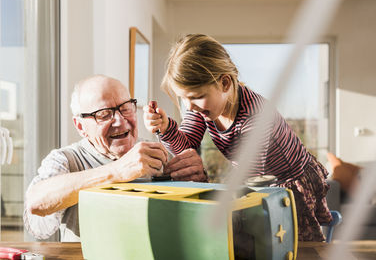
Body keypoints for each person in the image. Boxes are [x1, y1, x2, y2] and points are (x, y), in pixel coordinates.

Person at [143, 34, 332, 241]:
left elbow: (251, 180)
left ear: (225, 83)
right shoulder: (202, 108)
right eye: (183, 98)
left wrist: (208, 188)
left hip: (288, 183)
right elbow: (187, 145)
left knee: (289, 244)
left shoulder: (255, 117)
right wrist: (166, 128)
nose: (189, 107)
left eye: (196, 97)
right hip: (257, 179)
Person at [24, 75, 207, 242]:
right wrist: (118, 171)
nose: (120, 121)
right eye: (104, 114)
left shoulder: (159, 152)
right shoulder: (66, 159)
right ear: (80, 126)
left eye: (126, 108)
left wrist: (200, 183)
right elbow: (36, 205)